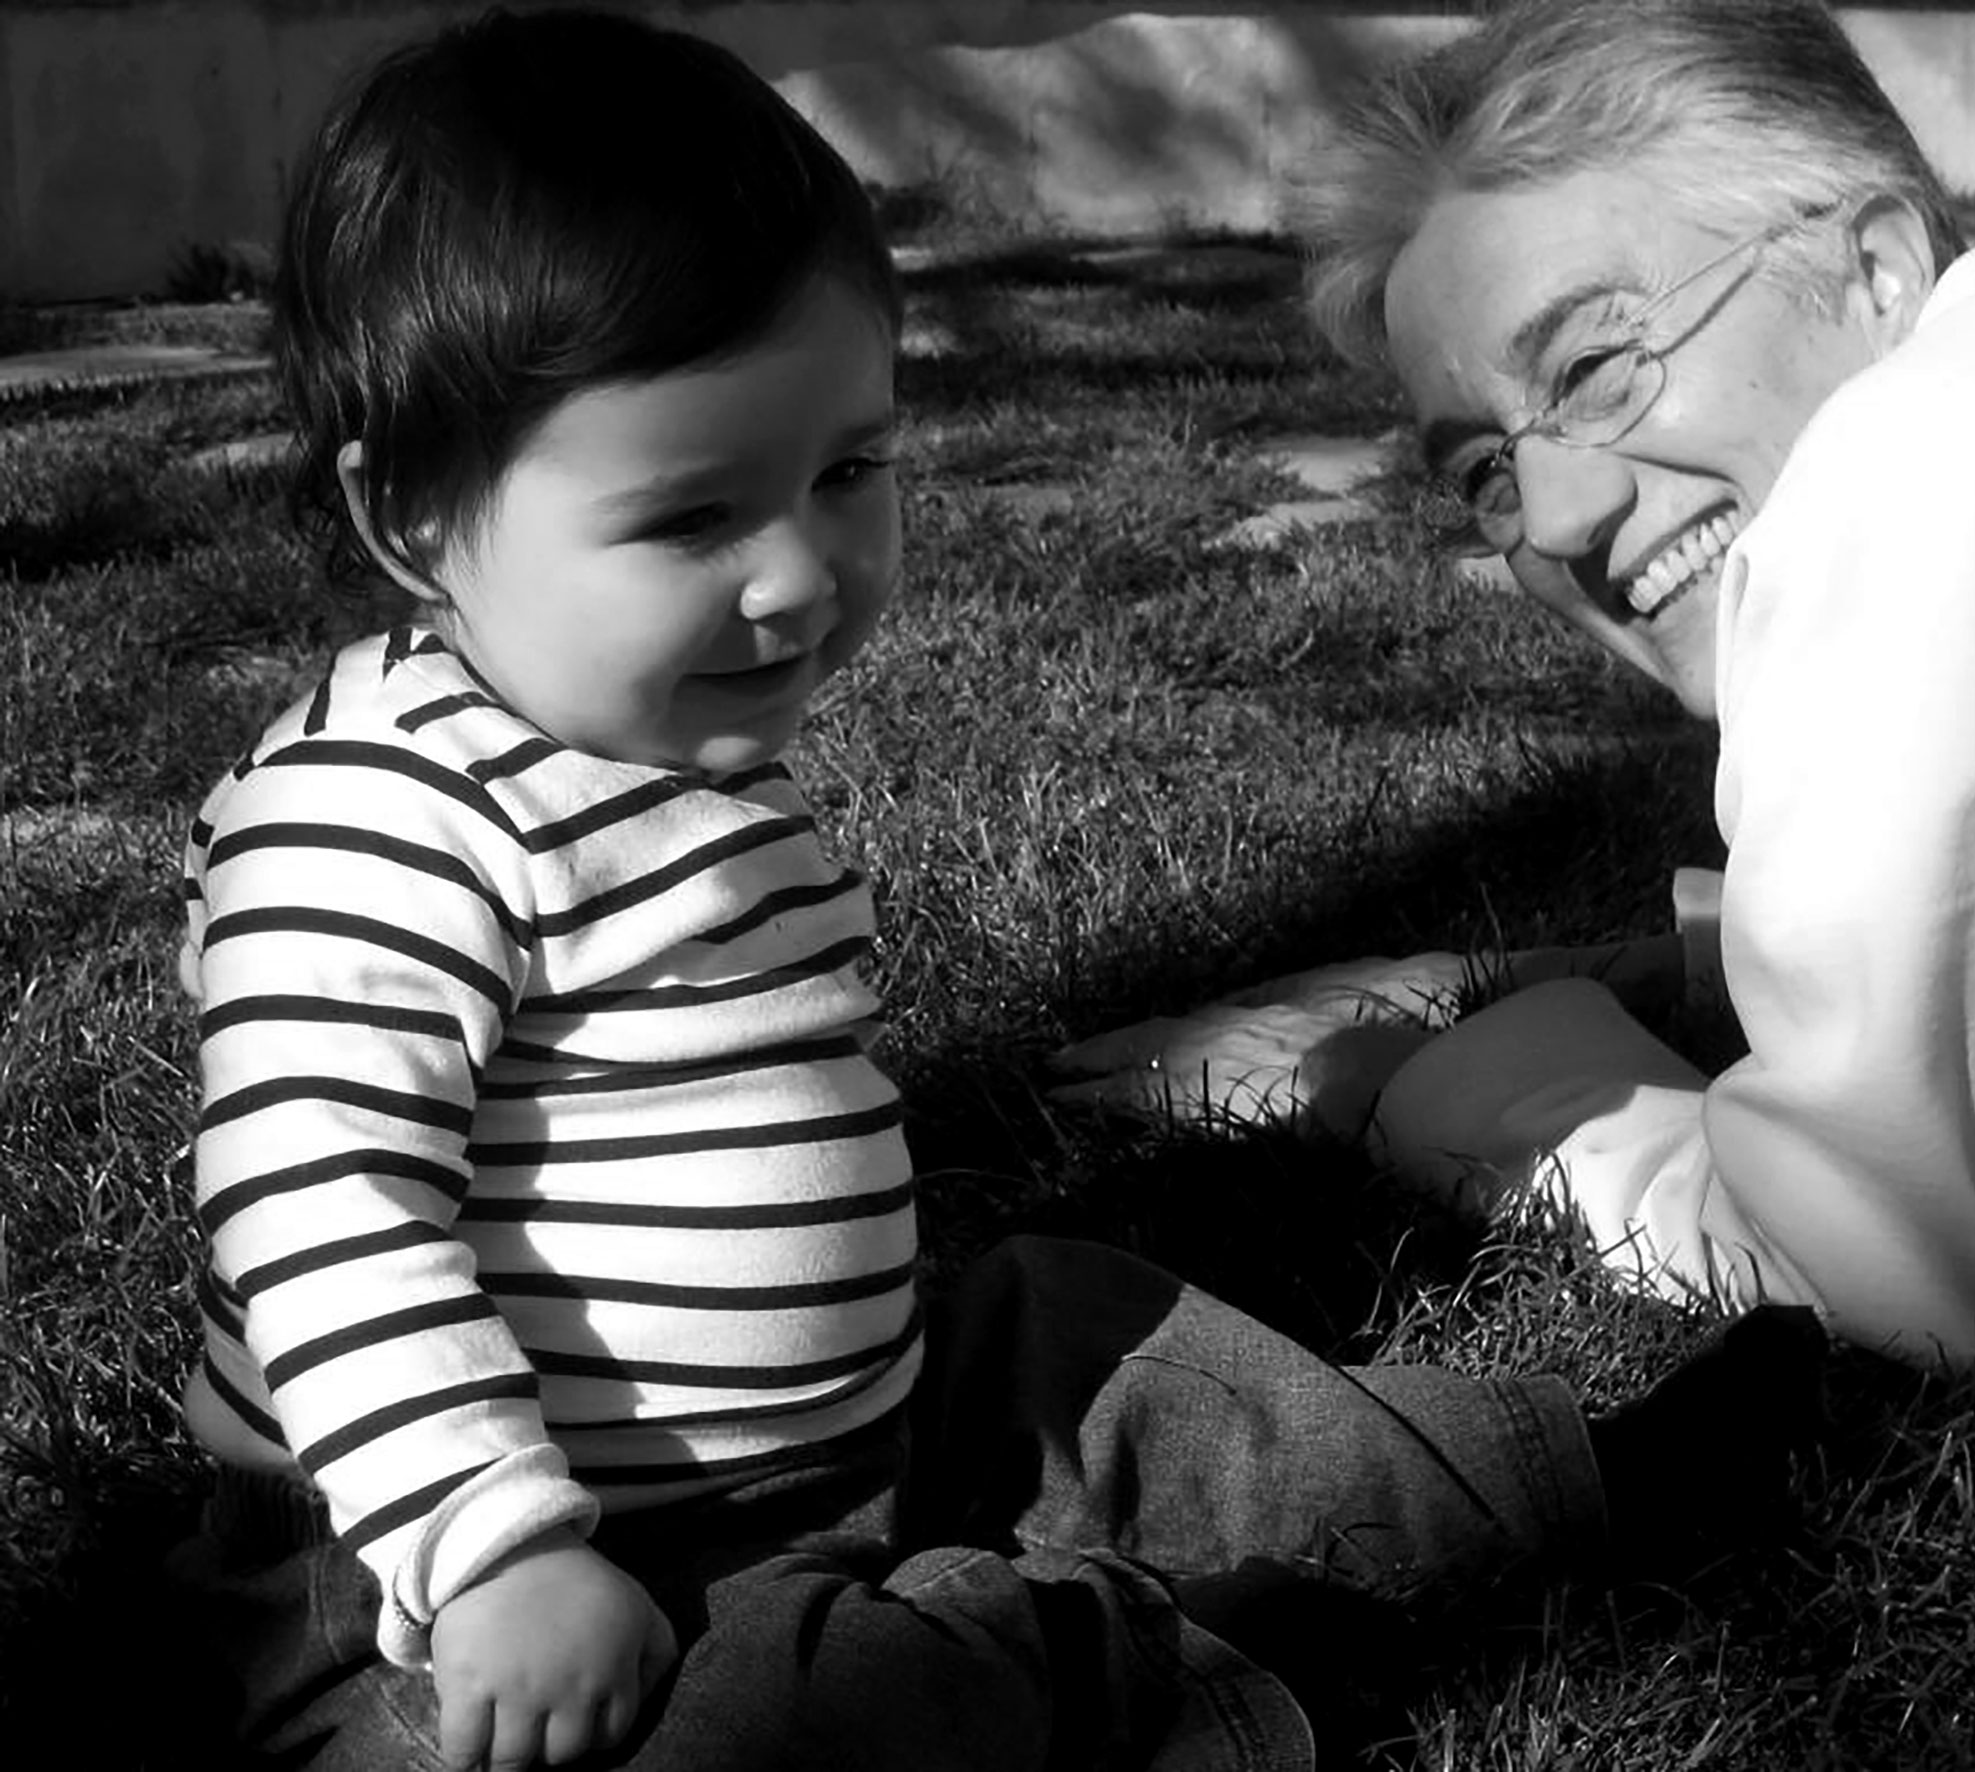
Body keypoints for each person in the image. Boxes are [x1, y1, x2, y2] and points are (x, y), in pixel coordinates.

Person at [163, 9, 1830, 1770]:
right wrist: (493, 1549)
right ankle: (1177, 1667)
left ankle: (1544, 1477)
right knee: (768, 1724)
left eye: (845, 473)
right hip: (460, 1572)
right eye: (690, 519)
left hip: (854, 1445)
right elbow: (320, 1209)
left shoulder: (658, 750)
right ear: (416, 518)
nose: (796, 574)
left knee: (1086, 1343)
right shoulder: (372, 818)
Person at [1052, 0, 1975, 1453]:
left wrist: (1395, 1085)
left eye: (1595, 365)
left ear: (1875, 267)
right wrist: (1597, 968)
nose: (1557, 516)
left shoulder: (1935, 465)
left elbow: (1875, 1272)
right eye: (1487, 469)